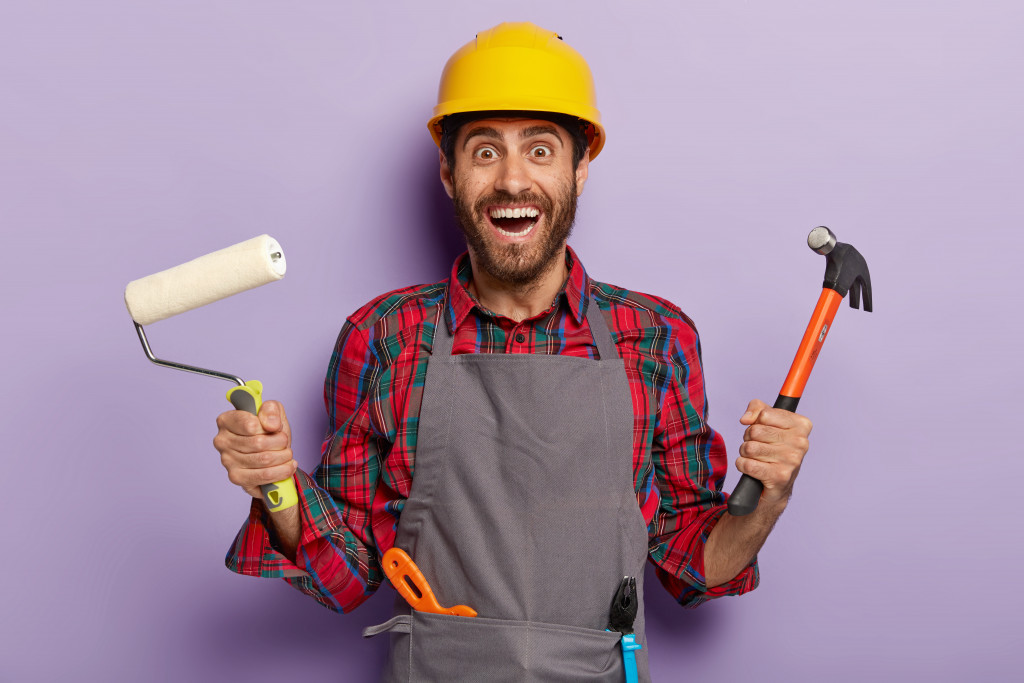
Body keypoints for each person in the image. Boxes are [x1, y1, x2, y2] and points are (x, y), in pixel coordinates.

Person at [213, 22, 812, 682]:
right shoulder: (384, 338)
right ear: (449, 172)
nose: (513, 180)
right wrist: (277, 487)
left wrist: (770, 498)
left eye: (542, 149)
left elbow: (695, 567)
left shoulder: (657, 339)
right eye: (485, 151)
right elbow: (349, 574)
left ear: (581, 169)